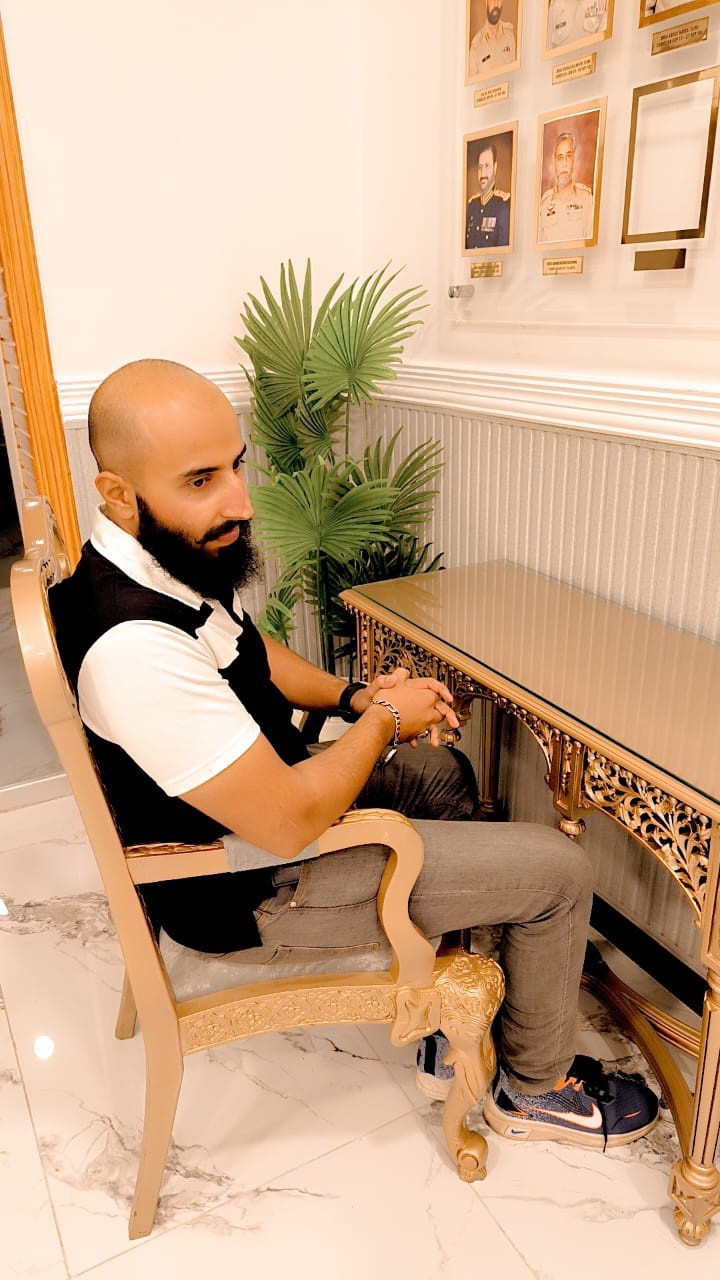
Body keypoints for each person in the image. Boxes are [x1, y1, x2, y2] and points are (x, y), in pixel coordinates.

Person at [51, 359, 659, 1149]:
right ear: (117, 493)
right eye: (201, 480)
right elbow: (285, 822)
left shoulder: (155, 563)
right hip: (246, 881)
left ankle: (448, 1017)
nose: (240, 502)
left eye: (235, 466)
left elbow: (248, 650)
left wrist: (354, 699)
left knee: (442, 775)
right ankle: (535, 1088)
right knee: (560, 871)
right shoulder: (133, 645)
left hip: (259, 814)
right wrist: (387, 722)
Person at [538, 132, 594, 243]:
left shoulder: (586, 198)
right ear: (554, 163)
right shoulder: (544, 203)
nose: (564, 163)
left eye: (568, 156)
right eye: (560, 158)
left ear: (574, 160)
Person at [466, 141, 511, 250]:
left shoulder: (503, 204)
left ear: (495, 168)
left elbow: (503, 249)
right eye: (480, 167)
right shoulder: (472, 205)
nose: (483, 174)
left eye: (487, 166)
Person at [469, 0, 516, 79]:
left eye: (499, 0)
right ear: (486, 2)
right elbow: (473, 80)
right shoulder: (476, 44)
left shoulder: (509, 35)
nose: (496, 4)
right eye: (492, 0)